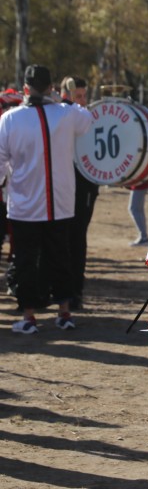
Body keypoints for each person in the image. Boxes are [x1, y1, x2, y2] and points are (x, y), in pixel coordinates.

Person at [0, 65, 93, 333]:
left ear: (25, 89)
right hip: (59, 204)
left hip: (24, 205)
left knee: (26, 261)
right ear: (51, 87)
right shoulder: (66, 113)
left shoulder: (10, 119)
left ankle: (29, 317)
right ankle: (64, 313)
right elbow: (87, 119)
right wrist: (63, 100)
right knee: (60, 257)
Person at [61, 76, 99, 310]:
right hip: (63, 185)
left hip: (85, 186)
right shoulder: (61, 115)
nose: (82, 101)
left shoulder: (88, 117)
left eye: (84, 96)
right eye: (78, 96)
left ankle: (75, 291)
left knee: (77, 238)